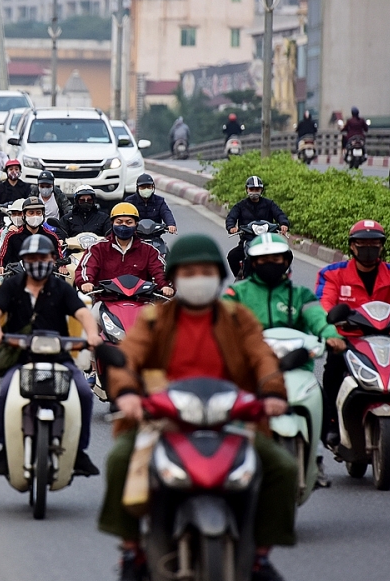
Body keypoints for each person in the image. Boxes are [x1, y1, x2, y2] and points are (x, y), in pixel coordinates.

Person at [99, 234, 296, 581]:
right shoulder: (153, 320)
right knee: (120, 460)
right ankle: (132, 551)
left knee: (282, 467)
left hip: (232, 419)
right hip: (164, 419)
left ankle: (260, 556)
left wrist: (273, 391)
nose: (198, 279)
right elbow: (126, 358)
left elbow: (262, 357)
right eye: (189, 272)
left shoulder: (238, 318)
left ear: (219, 277)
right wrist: (127, 392)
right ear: (174, 278)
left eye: (205, 271)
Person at [0, 233, 103, 477]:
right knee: (6, 394)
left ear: (52, 259)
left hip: (59, 358)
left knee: (84, 393)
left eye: (43, 256)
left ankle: (79, 452)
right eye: (32, 257)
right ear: (23, 260)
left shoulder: (61, 288)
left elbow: (82, 314)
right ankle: (4, 451)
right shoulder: (12, 285)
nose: (38, 261)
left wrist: (92, 336)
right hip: (21, 358)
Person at [315, 219, 390, 446]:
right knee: (332, 371)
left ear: (381, 246)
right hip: (349, 341)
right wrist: (330, 330)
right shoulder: (332, 274)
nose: (368, 248)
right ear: (352, 246)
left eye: (374, 243)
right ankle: (332, 424)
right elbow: (324, 304)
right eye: (362, 243)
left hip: (389, 341)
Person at [225, 233, 345, 348]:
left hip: (295, 362)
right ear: (254, 263)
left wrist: (332, 335)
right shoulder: (237, 293)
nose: (270, 263)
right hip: (249, 361)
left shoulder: (301, 295)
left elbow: (318, 318)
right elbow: (219, 320)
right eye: (264, 259)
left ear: (286, 262)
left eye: (276, 259)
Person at [73, 202, 173, 296]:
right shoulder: (97, 248)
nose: (123, 225)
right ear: (112, 223)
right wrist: (86, 282)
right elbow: (86, 268)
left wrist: (166, 286)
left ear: (136, 225)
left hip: (140, 302)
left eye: (129, 222)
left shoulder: (149, 250)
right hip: (104, 300)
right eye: (119, 222)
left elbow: (160, 271)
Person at [225, 176, 290, 278]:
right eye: (251, 189)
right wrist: (231, 227)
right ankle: (240, 277)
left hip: (268, 241)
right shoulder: (240, 206)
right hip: (247, 240)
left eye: (257, 189)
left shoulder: (269, 204)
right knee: (232, 256)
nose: (254, 192)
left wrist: (284, 224)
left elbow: (280, 214)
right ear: (247, 189)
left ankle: (280, 275)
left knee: (288, 254)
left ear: (261, 190)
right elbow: (231, 217)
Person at [0, 196, 63, 273]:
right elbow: (2, 256)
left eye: (38, 213)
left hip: (45, 277)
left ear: (43, 214)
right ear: (24, 215)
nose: (35, 216)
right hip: (18, 277)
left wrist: (62, 266)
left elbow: (59, 257)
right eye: (31, 213)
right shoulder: (12, 236)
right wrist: (0, 266)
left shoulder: (51, 236)